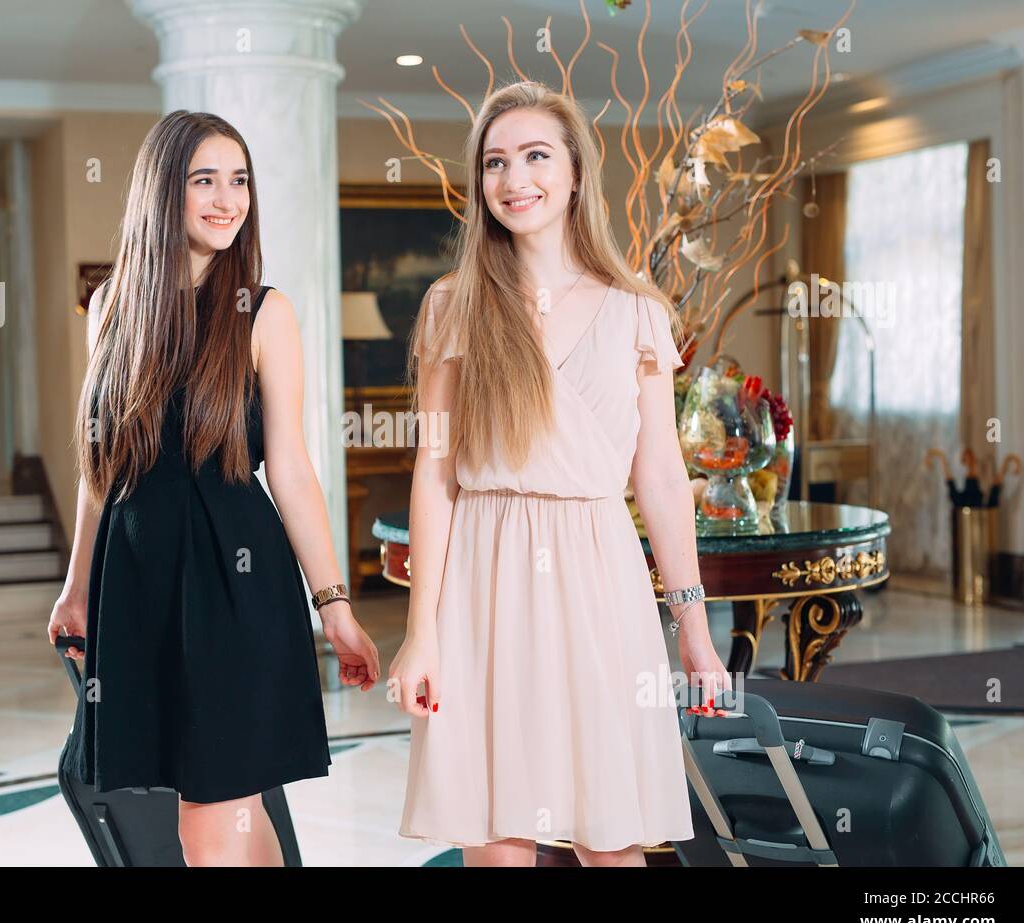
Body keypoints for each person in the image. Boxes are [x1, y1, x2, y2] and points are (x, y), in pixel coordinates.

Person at [390, 81, 731, 867]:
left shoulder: (637, 309)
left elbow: (662, 479)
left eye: (536, 156)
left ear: (576, 171)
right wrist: (422, 634)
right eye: (495, 163)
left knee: (610, 835)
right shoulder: (454, 304)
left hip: (599, 571)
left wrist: (693, 631)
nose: (515, 180)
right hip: (485, 571)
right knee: (494, 836)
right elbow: (436, 471)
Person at [48, 110, 380, 866]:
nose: (229, 199)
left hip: (236, 580)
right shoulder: (110, 309)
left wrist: (335, 604)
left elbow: (291, 467)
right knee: (223, 801)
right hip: (137, 582)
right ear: (163, 191)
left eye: (240, 181)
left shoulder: (265, 313)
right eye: (206, 180)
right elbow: (101, 465)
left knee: (208, 815)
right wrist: (77, 587)